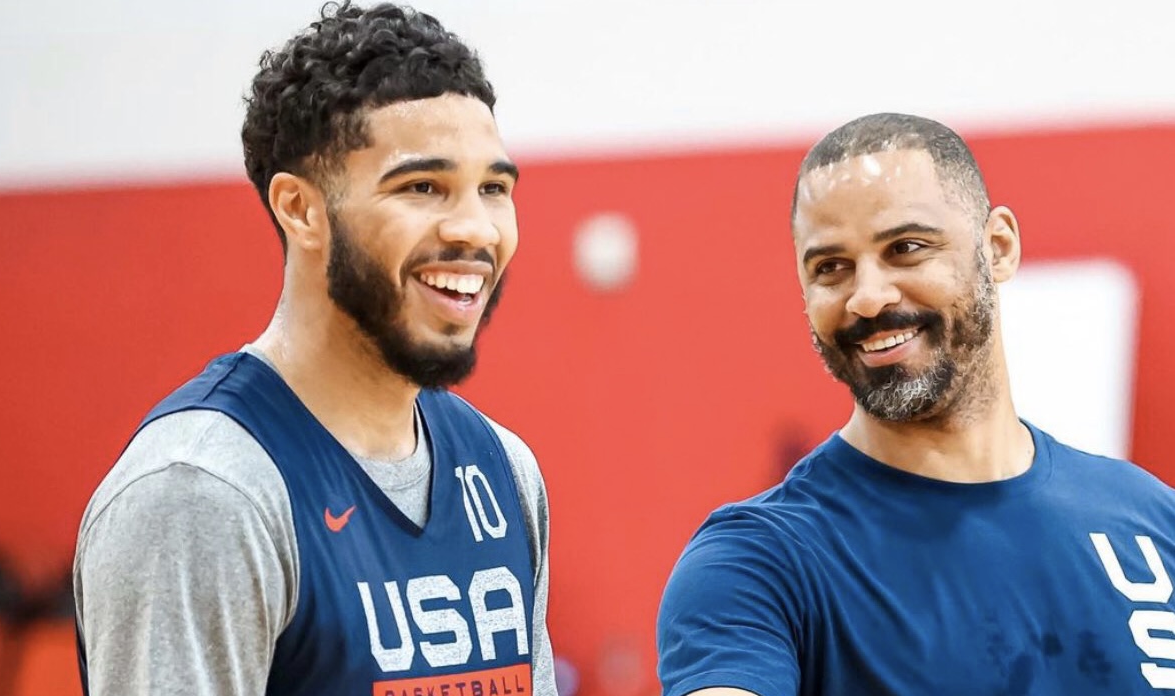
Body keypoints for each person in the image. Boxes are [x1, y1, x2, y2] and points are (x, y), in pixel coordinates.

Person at [73, 3, 556, 694]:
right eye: (423, 187)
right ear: (300, 209)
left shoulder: (506, 475)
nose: (475, 229)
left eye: (493, 188)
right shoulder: (202, 494)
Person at [657, 112, 1175, 695]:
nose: (869, 297)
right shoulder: (756, 564)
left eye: (905, 248)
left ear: (998, 248)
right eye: (832, 268)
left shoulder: (1151, 524)